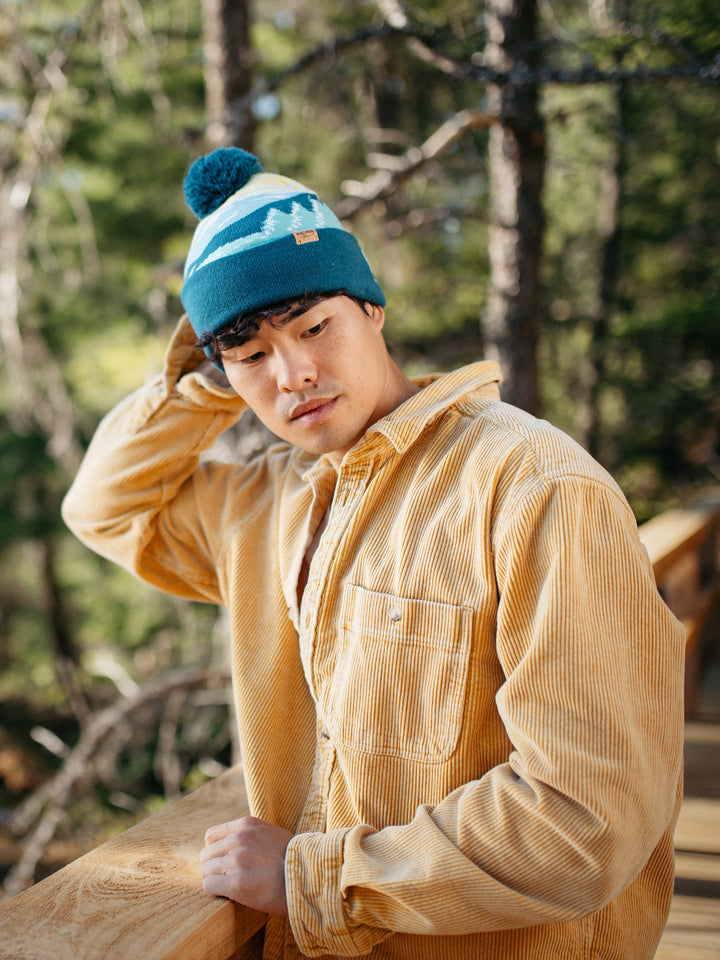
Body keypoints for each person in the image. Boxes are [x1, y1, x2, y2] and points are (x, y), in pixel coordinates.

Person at [62, 147, 685, 960]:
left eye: (316, 326)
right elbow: (104, 507)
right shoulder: (263, 503)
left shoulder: (532, 486)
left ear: (373, 311)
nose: (295, 373)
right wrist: (213, 365)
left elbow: (586, 818)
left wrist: (314, 877)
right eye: (253, 357)